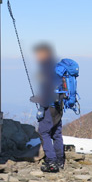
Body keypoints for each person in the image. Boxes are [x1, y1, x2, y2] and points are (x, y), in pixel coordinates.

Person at [30, 43, 64, 173]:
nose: (37, 56)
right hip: (59, 106)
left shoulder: (46, 68)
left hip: (49, 106)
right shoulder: (56, 67)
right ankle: (60, 160)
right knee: (56, 133)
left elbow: (48, 89)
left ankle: (51, 161)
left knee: (44, 132)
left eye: (38, 53)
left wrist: (40, 100)